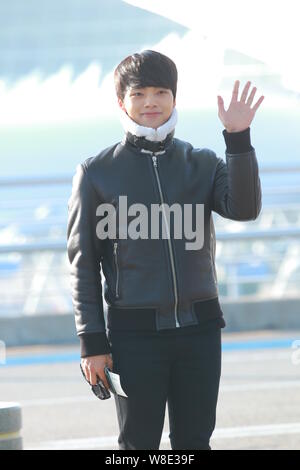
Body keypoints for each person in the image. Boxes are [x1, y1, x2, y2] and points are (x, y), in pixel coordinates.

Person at [67, 50, 264, 450]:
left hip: (201, 331)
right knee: (139, 446)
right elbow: (83, 263)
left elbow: (244, 208)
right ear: (122, 102)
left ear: (175, 98)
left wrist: (238, 139)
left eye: (161, 91)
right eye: (139, 93)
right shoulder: (97, 173)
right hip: (133, 336)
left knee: (195, 442)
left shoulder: (203, 163)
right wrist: (92, 343)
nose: (151, 102)